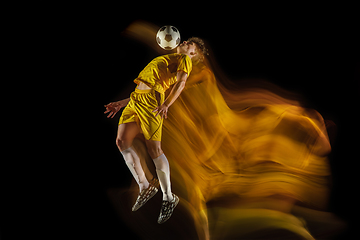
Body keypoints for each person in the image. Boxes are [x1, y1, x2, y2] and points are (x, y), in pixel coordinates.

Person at [104, 37, 208, 224]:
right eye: (186, 41)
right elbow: (144, 85)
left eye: (189, 45)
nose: (184, 42)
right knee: (122, 142)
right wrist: (122, 103)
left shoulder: (185, 60)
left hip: (152, 102)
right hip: (136, 99)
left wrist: (167, 104)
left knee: (154, 150)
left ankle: (168, 196)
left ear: (192, 55)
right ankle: (145, 186)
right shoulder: (169, 60)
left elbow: (181, 83)